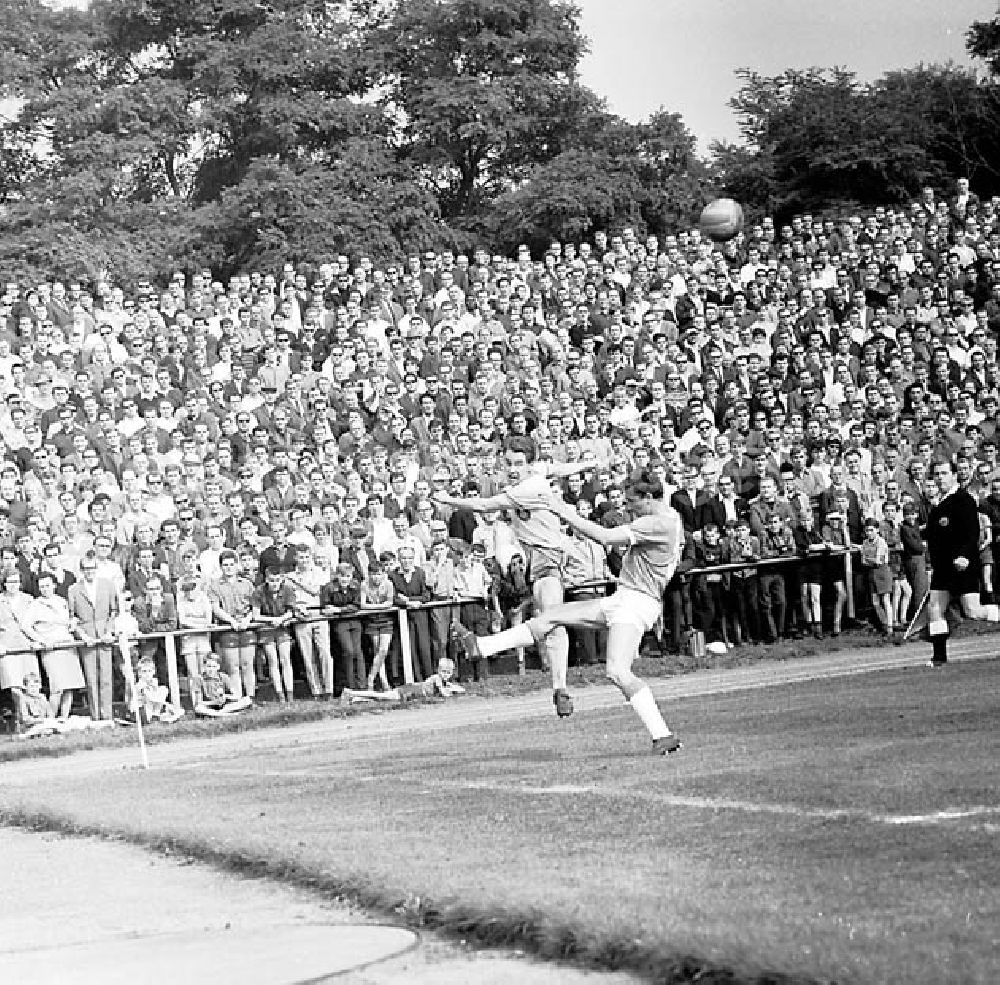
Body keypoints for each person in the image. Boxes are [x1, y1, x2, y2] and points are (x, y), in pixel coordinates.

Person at [452, 473, 685, 755]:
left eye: (632, 502)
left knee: (617, 671)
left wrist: (560, 509)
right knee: (550, 617)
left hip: (637, 602)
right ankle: (482, 646)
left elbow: (605, 537)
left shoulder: (655, 523)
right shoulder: (669, 515)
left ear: (649, 498)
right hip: (625, 597)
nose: (627, 507)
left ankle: (663, 735)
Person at [435, 438, 604, 718]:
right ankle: (557, 685)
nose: (513, 469)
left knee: (552, 618)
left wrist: (447, 499)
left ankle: (554, 683)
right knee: (550, 619)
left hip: (547, 556)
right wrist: (586, 463)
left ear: (527, 464)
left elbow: (486, 504)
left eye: (518, 464)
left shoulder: (528, 488)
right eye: (509, 463)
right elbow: (556, 469)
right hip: (533, 555)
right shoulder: (535, 473)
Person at [924, 459, 1000, 666]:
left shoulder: (963, 500)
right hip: (943, 569)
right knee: (934, 608)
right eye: (936, 474)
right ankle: (939, 657)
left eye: (943, 473)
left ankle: (997, 613)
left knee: (972, 610)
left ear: (954, 475)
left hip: (962, 565)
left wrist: (965, 555)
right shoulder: (938, 505)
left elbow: (972, 533)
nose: (940, 478)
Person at [27, 570, 85, 720]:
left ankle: (64, 718)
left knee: (69, 685)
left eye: (47, 585)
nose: (45, 589)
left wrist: (73, 624)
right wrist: (40, 640)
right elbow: (25, 626)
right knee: (57, 686)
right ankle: (50, 719)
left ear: (54, 585)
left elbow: (70, 620)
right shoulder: (35, 604)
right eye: (42, 586)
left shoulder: (62, 601)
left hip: (67, 644)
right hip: (51, 648)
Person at [67, 550, 118, 721]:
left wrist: (109, 631)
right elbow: (72, 617)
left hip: (104, 636)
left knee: (106, 678)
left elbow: (114, 611)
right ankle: (96, 717)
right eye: (86, 569)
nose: (90, 572)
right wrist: (82, 636)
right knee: (91, 678)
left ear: (97, 568)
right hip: (87, 637)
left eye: (92, 568)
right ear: (81, 570)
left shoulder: (108, 585)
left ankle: (108, 715)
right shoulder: (74, 589)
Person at [340, 656, 465, 705]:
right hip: (406, 691)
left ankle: (355, 699)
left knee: (380, 699)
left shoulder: (444, 682)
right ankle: (351, 692)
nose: (445, 675)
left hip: (410, 693)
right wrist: (452, 691)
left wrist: (455, 688)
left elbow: (459, 688)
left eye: (448, 673)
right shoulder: (437, 679)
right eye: (443, 672)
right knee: (379, 696)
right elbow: (444, 693)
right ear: (438, 670)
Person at [125, 654, 184, 724]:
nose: (147, 674)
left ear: (153, 671)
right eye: (144, 671)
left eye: (149, 671)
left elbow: (156, 697)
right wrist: (168, 705)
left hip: (150, 707)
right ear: (139, 673)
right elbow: (151, 697)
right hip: (140, 710)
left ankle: (156, 714)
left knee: (163, 689)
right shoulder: (140, 684)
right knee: (151, 698)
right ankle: (157, 716)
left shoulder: (154, 681)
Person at [191, 651, 253, 717]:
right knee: (198, 708)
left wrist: (226, 697)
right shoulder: (199, 679)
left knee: (247, 700)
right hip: (208, 705)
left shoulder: (224, 677)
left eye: (214, 666)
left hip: (224, 705)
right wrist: (213, 702)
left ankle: (219, 713)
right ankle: (225, 714)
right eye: (209, 666)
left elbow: (236, 696)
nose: (211, 669)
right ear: (204, 667)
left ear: (218, 667)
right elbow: (199, 702)